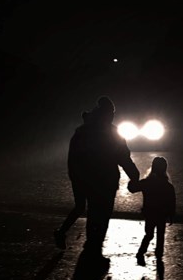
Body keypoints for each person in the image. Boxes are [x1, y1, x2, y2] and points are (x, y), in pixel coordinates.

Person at [65, 96, 140, 263]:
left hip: (87, 180)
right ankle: (94, 249)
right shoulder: (112, 133)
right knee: (102, 215)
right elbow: (124, 158)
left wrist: (76, 180)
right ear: (109, 114)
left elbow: (73, 159)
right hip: (106, 181)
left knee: (93, 214)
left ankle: (91, 248)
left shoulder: (82, 131)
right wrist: (134, 177)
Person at [127, 155, 176, 262]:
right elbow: (172, 201)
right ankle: (159, 255)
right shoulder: (167, 185)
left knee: (149, 234)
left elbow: (132, 188)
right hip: (162, 213)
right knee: (160, 234)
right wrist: (171, 214)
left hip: (150, 212)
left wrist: (133, 178)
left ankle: (141, 251)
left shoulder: (147, 182)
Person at [53, 110, 90, 249]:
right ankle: (89, 242)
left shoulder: (78, 135)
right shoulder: (85, 136)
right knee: (88, 207)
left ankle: (62, 232)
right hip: (84, 176)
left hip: (78, 176)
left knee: (80, 207)